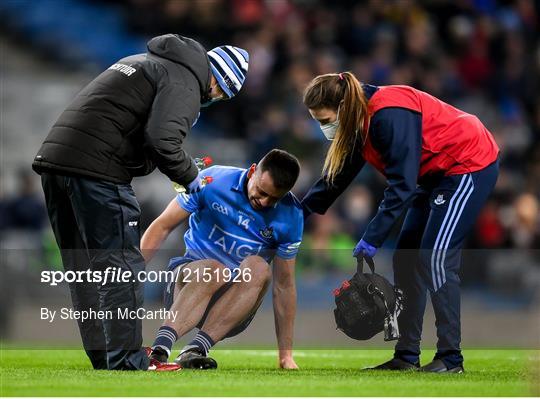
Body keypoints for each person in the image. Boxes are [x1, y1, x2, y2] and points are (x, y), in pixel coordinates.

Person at [32, 34, 249, 371]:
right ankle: (126, 360)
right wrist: (193, 179)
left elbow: (134, 129)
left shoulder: (145, 60)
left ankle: (106, 356)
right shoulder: (186, 80)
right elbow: (163, 139)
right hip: (96, 170)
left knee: (85, 269)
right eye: (221, 93)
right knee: (121, 266)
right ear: (220, 82)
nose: (215, 98)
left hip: (56, 162)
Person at [301, 72, 499, 373]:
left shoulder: (388, 114)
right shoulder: (358, 121)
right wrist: (298, 213)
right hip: (432, 175)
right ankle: (406, 355)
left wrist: (372, 237)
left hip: (467, 162)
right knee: (405, 261)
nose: (323, 127)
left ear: (343, 105)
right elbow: (337, 177)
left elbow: (402, 187)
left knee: (435, 259)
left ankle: (450, 357)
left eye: (325, 119)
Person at [142, 149, 303, 370]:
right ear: (252, 171)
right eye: (261, 191)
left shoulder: (291, 216)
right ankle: (159, 350)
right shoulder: (213, 180)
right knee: (215, 270)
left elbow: (284, 286)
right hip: (187, 284)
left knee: (259, 267)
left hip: (234, 304)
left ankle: (195, 350)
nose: (264, 203)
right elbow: (162, 225)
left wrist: (286, 355)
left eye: (274, 198)